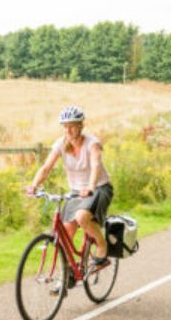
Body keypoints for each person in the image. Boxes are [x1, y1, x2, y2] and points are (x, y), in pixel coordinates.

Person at [27, 105, 114, 268]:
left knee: (82, 217)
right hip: (76, 192)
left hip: (98, 188)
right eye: (65, 127)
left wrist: (90, 187)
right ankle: (68, 271)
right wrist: (34, 185)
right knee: (66, 232)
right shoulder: (60, 144)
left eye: (72, 126)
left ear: (81, 126)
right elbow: (46, 167)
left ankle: (102, 247)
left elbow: (95, 166)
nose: (68, 130)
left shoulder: (92, 144)